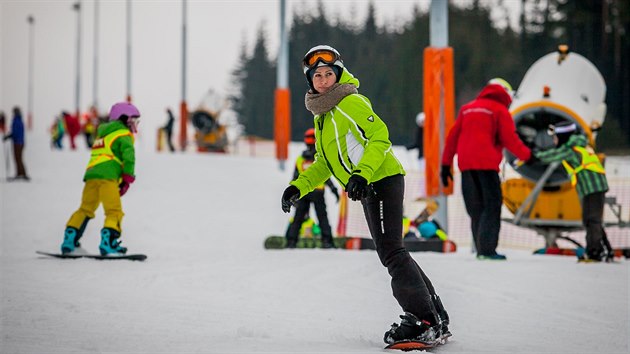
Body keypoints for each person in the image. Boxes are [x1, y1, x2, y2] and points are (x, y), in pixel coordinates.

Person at [280, 45, 450, 345]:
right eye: (316, 75)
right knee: (393, 251)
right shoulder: (323, 115)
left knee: (391, 252)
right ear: (310, 80)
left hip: (381, 178)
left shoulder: (350, 101)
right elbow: (324, 163)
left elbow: (380, 137)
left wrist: (361, 174)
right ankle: (435, 315)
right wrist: (299, 186)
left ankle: (422, 320)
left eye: (328, 74)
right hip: (369, 184)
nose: (322, 80)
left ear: (338, 74)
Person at [441, 78, 532, 261]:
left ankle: (480, 248)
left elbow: (452, 137)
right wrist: (528, 156)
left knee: (475, 208)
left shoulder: (467, 108)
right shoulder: (499, 110)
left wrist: (445, 165)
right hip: (487, 166)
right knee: (491, 207)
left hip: (466, 166)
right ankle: (487, 250)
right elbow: (510, 139)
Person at [60, 102, 140, 256]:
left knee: (85, 208)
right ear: (124, 119)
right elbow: (129, 157)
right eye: (133, 121)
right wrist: (127, 179)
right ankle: (108, 243)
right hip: (108, 179)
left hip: (91, 177)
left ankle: (70, 240)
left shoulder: (103, 134)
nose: (134, 125)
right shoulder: (123, 134)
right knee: (114, 211)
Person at [534, 122, 613, 262]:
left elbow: (551, 155)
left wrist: (533, 155)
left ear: (563, 137)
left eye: (555, 138)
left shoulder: (570, 149)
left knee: (592, 220)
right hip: (592, 187)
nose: (554, 141)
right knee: (591, 219)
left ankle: (595, 252)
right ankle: (605, 249)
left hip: (592, 187)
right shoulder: (579, 144)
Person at [285, 128, 339, 248]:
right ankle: (327, 241)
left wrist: (293, 193)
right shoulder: (319, 159)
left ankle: (292, 240)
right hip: (318, 192)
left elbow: (295, 177)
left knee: (298, 217)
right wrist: (334, 190)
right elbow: (325, 177)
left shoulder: (300, 159)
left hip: (303, 193)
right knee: (322, 217)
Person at [3, 106, 29, 180]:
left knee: (18, 158)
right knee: (18, 158)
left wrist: (9, 136)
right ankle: (20, 173)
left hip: (18, 143)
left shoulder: (17, 121)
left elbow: (16, 132)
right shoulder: (18, 120)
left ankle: (22, 173)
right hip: (19, 142)